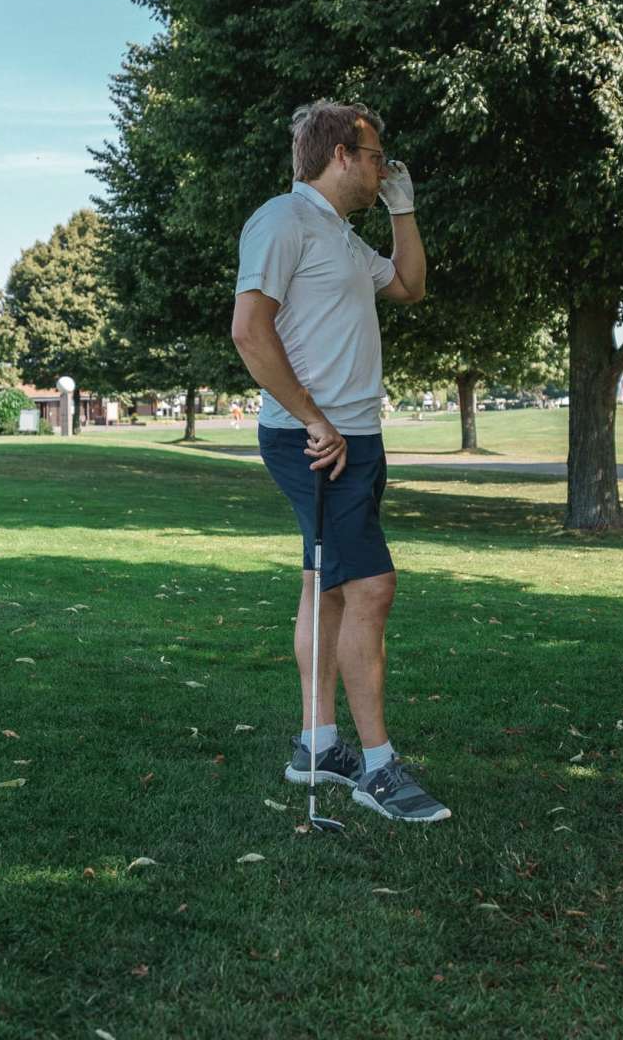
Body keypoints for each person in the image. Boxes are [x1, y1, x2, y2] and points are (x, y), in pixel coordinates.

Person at [230, 100, 447, 824]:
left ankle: (317, 745)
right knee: (372, 586)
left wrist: (403, 209)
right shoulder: (282, 221)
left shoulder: (344, 238)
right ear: (342, 155)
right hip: (313, 440)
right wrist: (315, 420)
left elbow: (412, 288)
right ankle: (379, 768)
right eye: (378, 155)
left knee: (326, 584)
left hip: (355, 437)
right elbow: (249, 332)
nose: (386, 165)